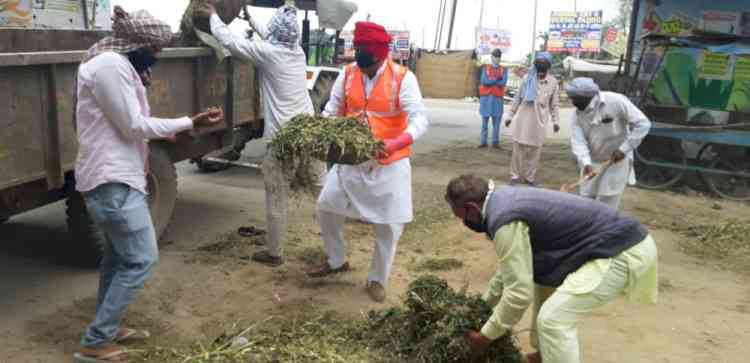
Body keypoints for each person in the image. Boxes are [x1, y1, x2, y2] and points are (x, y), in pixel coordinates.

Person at [73, 7, 224, 362]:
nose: (156, 56)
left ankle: (110, 326)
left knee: (117, 257)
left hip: (115, 176)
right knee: (141, 258)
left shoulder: (117, 65)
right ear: (137, 44)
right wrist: (187, 121)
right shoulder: (110, 67)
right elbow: (132, 125)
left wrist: (170, 130)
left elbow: (126, 125)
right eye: (154, 49)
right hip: (112, 179)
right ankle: (95, 342)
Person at [445, 174, 658, 363]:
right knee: (543, 288)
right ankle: (543, 356)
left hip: (620, 250)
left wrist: (484, 337)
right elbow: (510, 271)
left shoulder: (503, 219)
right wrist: (479, 308)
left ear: (472, 208)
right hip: (604, 244)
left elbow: (518, 294)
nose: (465, 223)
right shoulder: (502, 199)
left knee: (553, 320)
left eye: (462, 217)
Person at [308, 21, 429, 303]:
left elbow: (420, 118)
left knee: (388, 225)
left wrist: (399, 141)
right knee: (326, 205)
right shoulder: (348, 74)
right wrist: (324, 130)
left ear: (382, 54)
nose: (364, 70)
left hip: (390, 162)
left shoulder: (403, 78)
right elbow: (332, 108)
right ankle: (336, 260)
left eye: (369, 64)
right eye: (360, 57)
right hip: (351, 160)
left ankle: (377, 278)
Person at [208, 3, 315, 267]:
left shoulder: (269, 54)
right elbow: (272, 35)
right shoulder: (297, 52)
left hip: (284, 139)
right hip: (309, 132)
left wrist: (211, 15)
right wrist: (251, 19)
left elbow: (229, 41)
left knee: (276, 196)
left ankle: (275, 254)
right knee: (319, 188)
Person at [566, 77, 651, 210]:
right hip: (592, 162)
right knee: (585, 199)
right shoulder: (577, 115)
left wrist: (624, 149)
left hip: (616, 161)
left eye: (574, 98)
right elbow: (578, 142)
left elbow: (643, 124)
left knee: (608, 202)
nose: (572, 102)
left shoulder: (616, 101)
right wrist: (586, 163)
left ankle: (604, 228)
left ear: (586, 97)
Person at [504, 52, 560, 186]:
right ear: (535, 65)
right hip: (523, 121)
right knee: (518, 150)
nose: (541, 65)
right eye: (539, 62)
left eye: (544, 63)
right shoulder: (527, 79)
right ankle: (515, 176)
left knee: (534, 152)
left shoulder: (553, 82)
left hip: (539, 122)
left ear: (548, 66)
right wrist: (510, 116)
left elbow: (554, 104)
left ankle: (530, 177)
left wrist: (556, 121)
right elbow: (517, 99)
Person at [479, 49, 509, 148]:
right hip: (486, 98)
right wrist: (496, 79)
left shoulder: (504, 69)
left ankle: (495, 142)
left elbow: (503, 83)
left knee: (497, 121)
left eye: (498, 57)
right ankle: (483, 142)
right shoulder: (485, 68)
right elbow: (484, 81)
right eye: (494, 57)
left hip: (497, 98)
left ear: (500, 58)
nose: (496, 59)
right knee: (485, 121)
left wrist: (491, 80)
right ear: (491, 57)